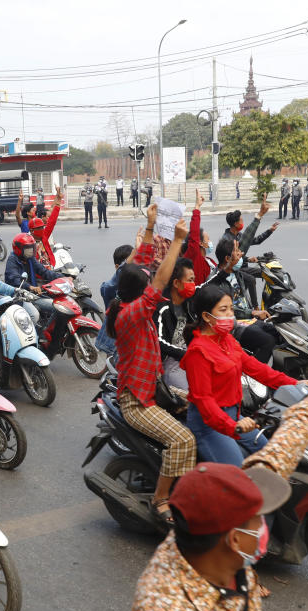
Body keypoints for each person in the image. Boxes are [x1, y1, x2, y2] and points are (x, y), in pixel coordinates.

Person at [123, 337, 308, 611]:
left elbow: (274, 460)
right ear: (235, 539)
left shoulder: (212, 556)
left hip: (237, 420)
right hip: (212, 428)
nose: (261, 523)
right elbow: (202, 401)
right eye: (256, 518)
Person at [104, 205, 193, 524]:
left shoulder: (124, 299)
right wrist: (179, 242)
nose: (150, 279)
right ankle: (161, 498)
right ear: (139, 291)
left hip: (155, 389)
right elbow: (159, 278)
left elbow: (141, 262)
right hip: (138, 401)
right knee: (183, 439)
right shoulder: (132, 314)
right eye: (146, 283)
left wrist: (152, 225)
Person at [181, 285, 300, 465]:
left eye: (230, 308)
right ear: (206, 316)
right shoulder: (198, 352)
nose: (230, 314)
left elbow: (257, 369)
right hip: (211, 426)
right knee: (238, 476)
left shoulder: (227, 340)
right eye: (223, 310)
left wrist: (296, 384)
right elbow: (204, 401)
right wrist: (232, 426)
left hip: (234, 416)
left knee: (268, 455)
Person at [204, 237, 278, 365]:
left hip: (249, 319)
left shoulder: (236, 273)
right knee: (268, 341)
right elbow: (225, 310)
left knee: (279, 333)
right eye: (237, 253)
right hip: (236, 324)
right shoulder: (215, 280)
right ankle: (254, 378)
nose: (241, 255)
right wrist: (252, 313)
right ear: (228, 259)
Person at [153, 258, 197, 391]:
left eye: (193, 280)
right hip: (169, 363)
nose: (193, 284)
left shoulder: (188, 303)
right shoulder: (162, 308)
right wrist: (184, 354)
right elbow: (158, 341)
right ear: (177, 283)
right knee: (193, 396)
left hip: (189, 357)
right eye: (190, 280)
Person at [181, 190, 214, 285]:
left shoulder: (209, 261)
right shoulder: (193, 256)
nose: (210, 242)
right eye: (208, 239)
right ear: (200, 243)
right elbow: (194, 234)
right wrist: (197, 207)